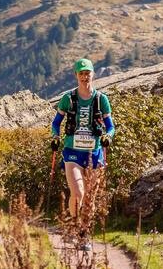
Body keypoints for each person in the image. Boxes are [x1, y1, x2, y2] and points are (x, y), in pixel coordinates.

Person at [50, 57, 115, 219]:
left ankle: (83, 234)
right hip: (73, 152)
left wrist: (108, 136)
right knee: (78, 192)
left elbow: (111, 127)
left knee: (90, 197)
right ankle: (76, 224)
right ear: (76, 75)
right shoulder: (68, 98)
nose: (85, 77)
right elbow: (56, 123)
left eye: (87, 73)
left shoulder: (101, 99)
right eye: (81, 73)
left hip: (94, 154)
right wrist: (55, 136)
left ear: (93, 74)